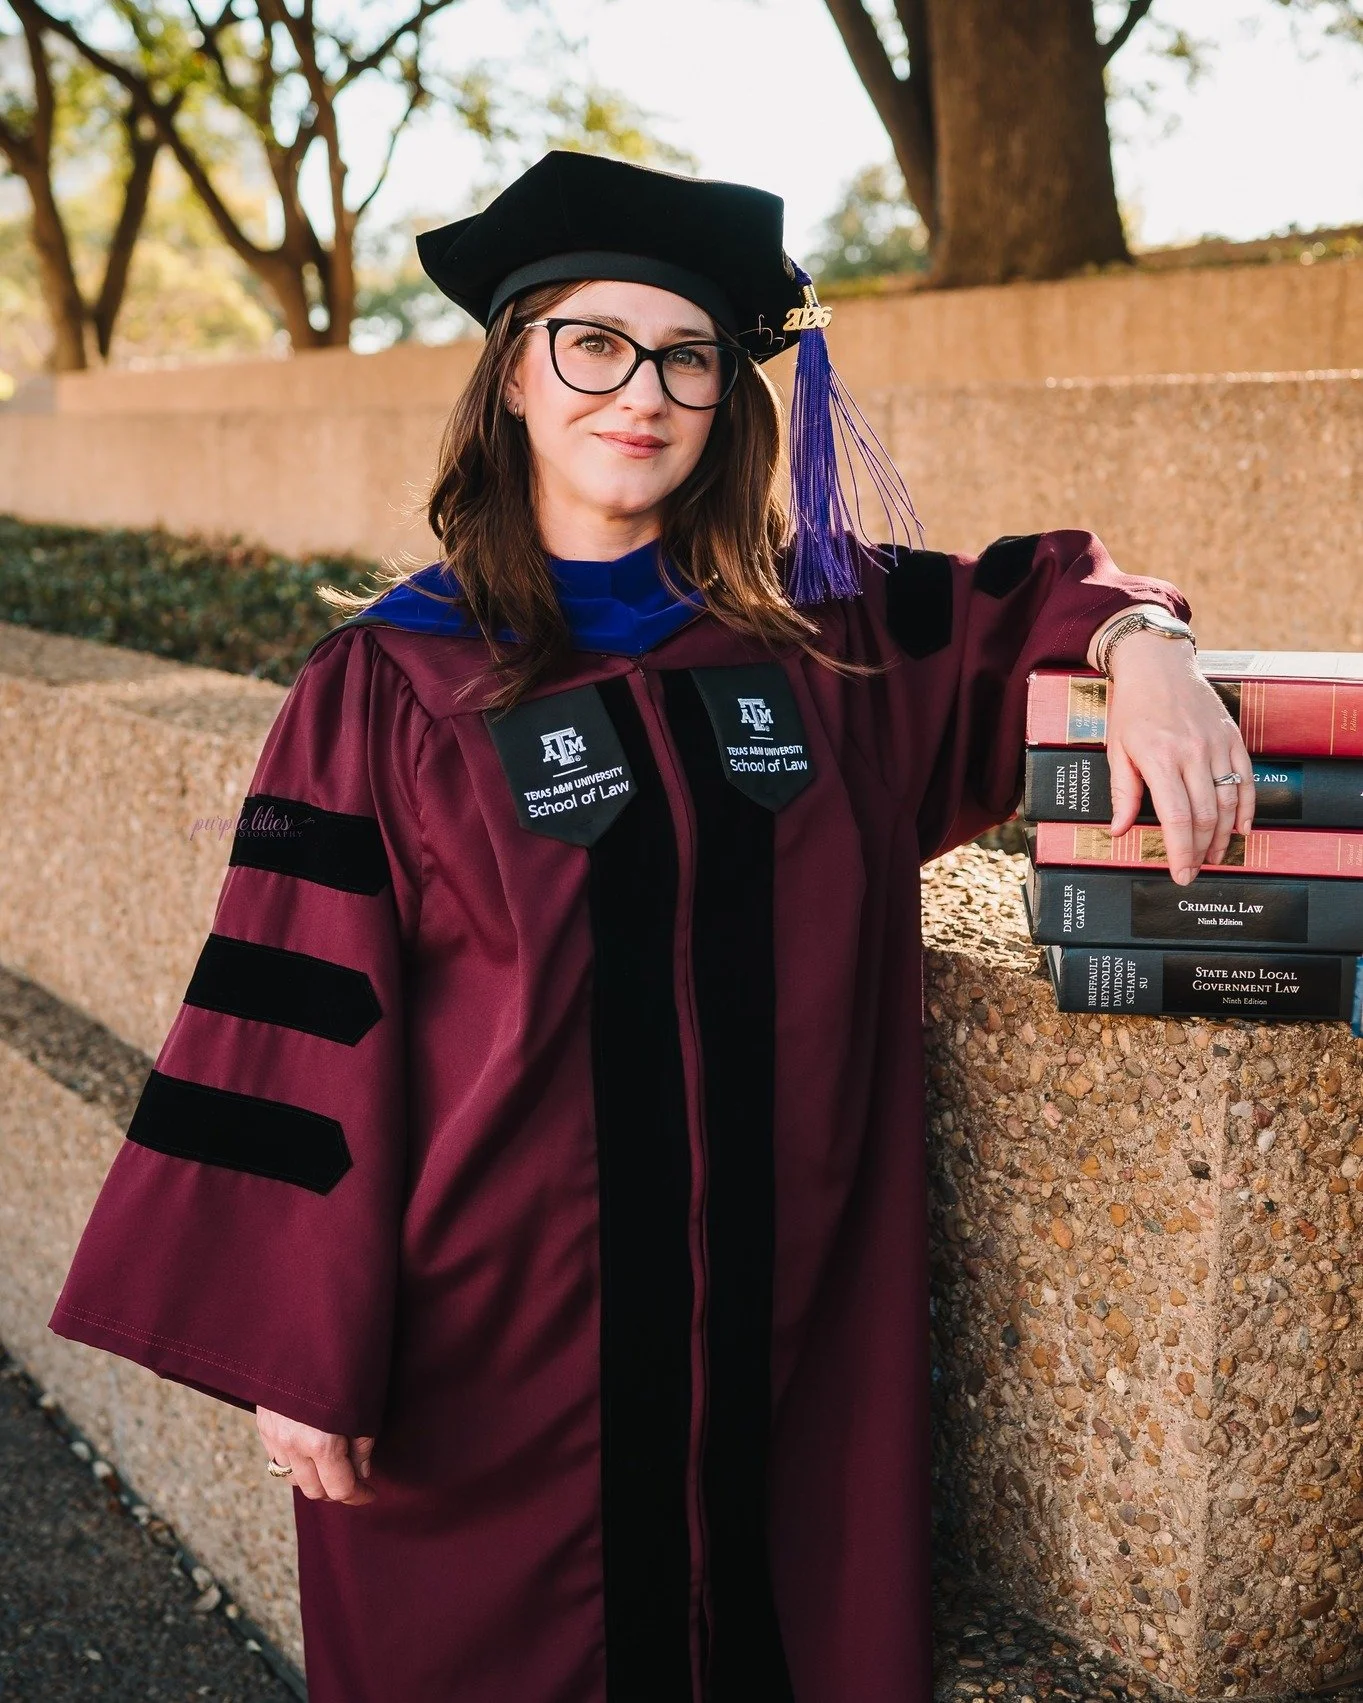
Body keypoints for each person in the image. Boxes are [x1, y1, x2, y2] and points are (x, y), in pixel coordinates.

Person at [49, 152, 1255, 1703]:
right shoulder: (392, 683)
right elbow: (297, 1024)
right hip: (492, 1362)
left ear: (728, 395)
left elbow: (1032, 601)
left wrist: (1140, 639)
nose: (643, 392)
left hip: (789, 1359)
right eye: (593, 345)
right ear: (510, 377)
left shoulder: (826, 643)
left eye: (686, 355)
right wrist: (303, 1349)